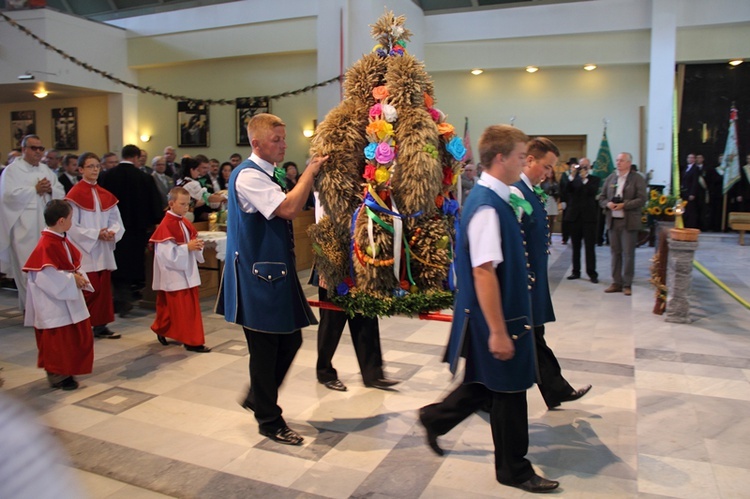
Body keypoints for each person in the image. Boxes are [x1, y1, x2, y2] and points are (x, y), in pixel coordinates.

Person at [419, 125, 559, 493]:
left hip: (506, 315)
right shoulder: (486, 207)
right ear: (500, 159)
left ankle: (435, 419)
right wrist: (498, 331)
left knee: (486, 385)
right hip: (499, 319)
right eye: (518, 157)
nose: (522, 163)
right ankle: (514, 469)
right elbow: (483, 272)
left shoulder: (498, 199)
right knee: (510, 393)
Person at [216, 113, 327, 446]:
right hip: (257, 277)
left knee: (290, 340)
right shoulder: (248, 176)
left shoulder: (267, 173)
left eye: (283, 138)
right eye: (276, 139)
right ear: (256, 143)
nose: (283, 144)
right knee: (265, 350)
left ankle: (258, 398)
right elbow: (289, 209)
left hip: (273, 274)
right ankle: (269, 419)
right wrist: (309, 171)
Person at [512, 138, 593, 410]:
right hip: (525, 282)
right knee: (530, 338)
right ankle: (555, 389)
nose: (548, 174)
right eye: (546, 167)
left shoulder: (531, 190)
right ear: (530, 160)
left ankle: (555, 390)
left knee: (534, 337)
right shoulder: (517, 192)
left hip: (534, 280)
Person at [313, 197, 399, 391]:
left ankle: (373, 374)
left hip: (359, 253)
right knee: (331, 321)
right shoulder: (327, 175)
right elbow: (320, 219)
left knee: (366, 314)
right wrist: (325, 265)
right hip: (334, 254)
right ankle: (324, 371)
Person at [22, 199, 94, 391]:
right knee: (57, 341)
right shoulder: (46, 244)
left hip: (65, 298)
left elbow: (70, 265)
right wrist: (73, 280)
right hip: (53, 303)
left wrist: (77, 276)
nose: (73, 221)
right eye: (71, 218)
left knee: (71, 337)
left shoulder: (60, 239)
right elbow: (45, 276)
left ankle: (67, 370)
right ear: (61, 221)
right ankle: (58, 376)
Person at [0, 135, 65, 311]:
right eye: (33, 148)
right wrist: (34, 190)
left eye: (40, 148)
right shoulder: (13, 170)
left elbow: (60, 190)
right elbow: (7, 197)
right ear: (23, 150)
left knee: (47, 269)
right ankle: (30, 310)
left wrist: (51, 189)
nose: (38, 152)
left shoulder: (46, 170)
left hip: (45, 228)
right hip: (23, 228)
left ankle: (46, 309)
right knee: (27, 270)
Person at [98, 144, 163, 316]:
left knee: (116, 264)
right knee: (132, 264)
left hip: (112, 230)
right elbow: (154, 205)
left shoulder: (107, 176)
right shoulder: (144, 178)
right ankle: (126, 298)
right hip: (136, 231)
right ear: (135, 158)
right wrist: (153, 221)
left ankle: (119, 298)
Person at [66, 152, 125, 340]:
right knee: (88, 289)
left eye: (97, 166)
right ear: (81, 169)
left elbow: (117, 221)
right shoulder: (74, 195)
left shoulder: (106, 195)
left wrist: (111, 233)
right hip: (85, 250)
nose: (94, 170)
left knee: (103, 290)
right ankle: (81, 327)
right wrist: (95, 234)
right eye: (90, 166)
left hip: (103, 249)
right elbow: (71, 226)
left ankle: (100, 326)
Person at [150, 187, 211, 353]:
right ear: (171, 203)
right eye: (182, 204)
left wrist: (196, 245)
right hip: (174, 274)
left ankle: (162, 328)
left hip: (186, 270)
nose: (186, 208)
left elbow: (191, 241)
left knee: (173, 308)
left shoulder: (183, 221)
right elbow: (166, 255)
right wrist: (187, 248)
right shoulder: (166, 225)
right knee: (185, 310)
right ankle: (192, 341)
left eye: (188, 204)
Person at [598, 152, 647, 296]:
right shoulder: (611, 178)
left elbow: (642, 199)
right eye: (617, 160)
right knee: (615, 253)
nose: (618, 163)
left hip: (629, 222)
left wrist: (624, 205)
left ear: (629, 164)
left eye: (621, 161)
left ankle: (627, 284)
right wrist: (608, 204)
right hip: (613, 221)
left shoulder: (637, 179)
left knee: (628, 253)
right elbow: (601, 197)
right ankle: (616, 282)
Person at [565, 157, 600, 282]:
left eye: (586, 166)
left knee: (590, 247)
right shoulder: (573, 180)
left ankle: (592, 272)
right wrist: (572, 175)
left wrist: (585, 179)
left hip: (589, 218)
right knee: (575, 246)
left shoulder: (595, 180)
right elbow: (566, 191)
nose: (583, 168)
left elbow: (591, 192)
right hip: (575, 217)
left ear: (590, 167)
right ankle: (576, 271)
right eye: (581, 166)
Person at [558, 157, 577, 244]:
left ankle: (574, 237)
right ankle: (565, 237)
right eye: (571, 165)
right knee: (565, 220)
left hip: (576, 202)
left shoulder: (579, 175)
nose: (572, 167)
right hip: (567, 200)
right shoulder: (565, 175)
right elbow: (561, 188)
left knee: (575, 220)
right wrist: (562, 201)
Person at [540, 169, 559, 243]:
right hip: (547, 200)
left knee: (552, 221)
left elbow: (559, 192)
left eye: (552, 173)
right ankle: (546, 236)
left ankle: (550, 236)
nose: (550, 174)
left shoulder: (555, 183)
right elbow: (542, 192)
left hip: (553, 200)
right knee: (546, 219)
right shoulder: (544, 183)